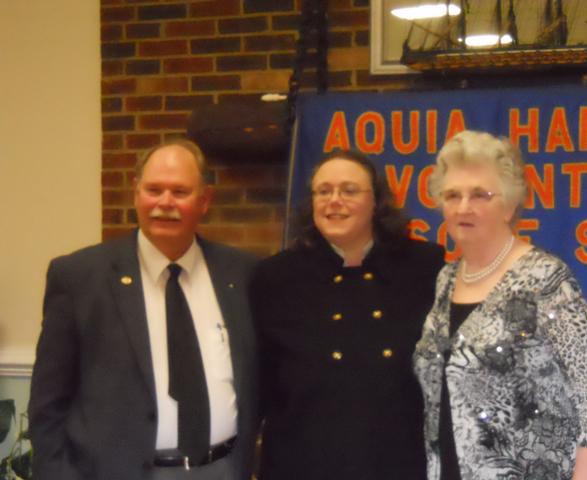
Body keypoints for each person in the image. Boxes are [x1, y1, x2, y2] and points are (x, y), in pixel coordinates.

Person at [28, 139, 258, 480]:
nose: (165, 203)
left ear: (205, 200)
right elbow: (48, 404)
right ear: (136, 193)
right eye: (154, 189)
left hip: (223, 469)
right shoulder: (79, 277)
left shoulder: (242, 273)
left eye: (180, 191)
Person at [414, 130, 587, 480]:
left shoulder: (546, 279)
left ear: (509, 204)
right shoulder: (445, 280)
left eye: (480, 195)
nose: (463, 207)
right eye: (452, 195)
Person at [250, 149, 445, 480]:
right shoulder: (274, 278)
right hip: (303, 464)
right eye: (323, 191)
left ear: (376, 202)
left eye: (349, 190)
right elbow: (259, 384)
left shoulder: (425, 267)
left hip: (400, 463)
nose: (334, 200)